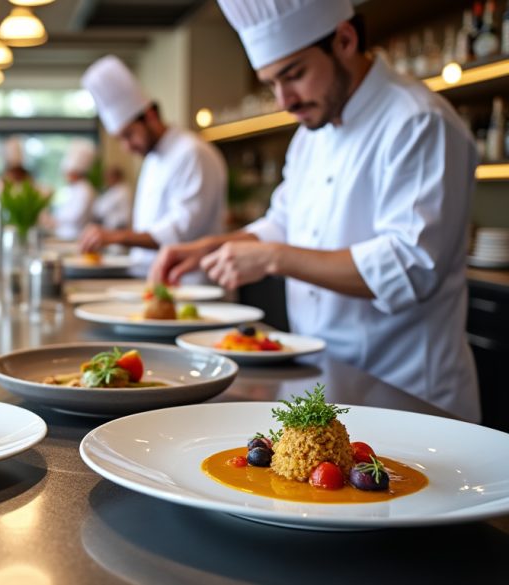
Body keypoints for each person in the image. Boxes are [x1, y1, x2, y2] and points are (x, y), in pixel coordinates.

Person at [150, 0, 480, 421]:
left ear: (345, 39)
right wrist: (208, 247)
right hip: (325, 381)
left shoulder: (419, 122)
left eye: (295, 75)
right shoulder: (311, 135)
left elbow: (409, 267)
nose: (284, 100)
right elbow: (283, 223)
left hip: (408, 394)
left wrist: (273, 258)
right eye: (272, 84)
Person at [79, 55, 226, 279]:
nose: (127, 147)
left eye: (129, 135)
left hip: (193, 286)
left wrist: (117, 237)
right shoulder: (152, 158)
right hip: (153, 279)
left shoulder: (192, 153)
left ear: (150, 115)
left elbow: (181, 231)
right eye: (120, 139)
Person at [51, 139, 97, 241]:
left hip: (76, 236)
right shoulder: (72, 189)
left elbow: (76, 216)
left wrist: (55, 218)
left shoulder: (85, 189)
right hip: (64, 235)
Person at [92, 166, 132, 231]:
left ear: (117, 177)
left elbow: (102, 209)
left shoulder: (122, 190)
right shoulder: (112, 189)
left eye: (109, 177)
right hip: (109, 226)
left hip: (118, 227)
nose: (106, 179)